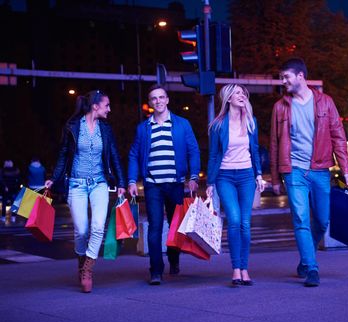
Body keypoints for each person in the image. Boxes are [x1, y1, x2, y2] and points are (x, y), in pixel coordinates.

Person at [270, 58, 348, 287]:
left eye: (286, 76)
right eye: (282, 77)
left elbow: (338, 135)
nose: (283, 81)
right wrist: (276, 178)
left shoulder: (325, 102)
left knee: (323, 220)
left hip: (319, 169)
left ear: (300, 76)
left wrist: (345, 168)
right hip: (293, 170)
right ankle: (312, 267)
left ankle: (305, 260)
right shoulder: (280, 107)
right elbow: (275, 144)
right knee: (300, 218)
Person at [45, 90, 126, 293]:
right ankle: (82, 261)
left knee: (98, 226)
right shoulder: (72, 127)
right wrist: (53, 178)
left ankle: (87, 269)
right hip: (76, 184)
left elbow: (114, 155)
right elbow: (63, 155)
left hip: (99, 183)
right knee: (81, 230)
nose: (110, 109)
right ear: (95, 106)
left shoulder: (106, 129)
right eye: (107, 105)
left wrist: (122, 182)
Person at [128, 84, 200, 285]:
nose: (158, 101)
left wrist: (193, 177)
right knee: (155, 226)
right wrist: (132, 180)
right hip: (153, 185)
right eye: (153, 98)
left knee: (175, 227)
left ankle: (174, 260)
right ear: (150, 103)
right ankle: (156, 270)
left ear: (167, 100)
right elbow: (134, 154)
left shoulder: (182, 124)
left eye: (161, 97)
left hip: (176, 184)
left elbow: (193, 150)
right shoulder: (143, 128)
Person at [206, 84, 265, 286]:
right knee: (234, 220)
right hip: (225, 177)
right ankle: (235, 269)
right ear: (228, 98)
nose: (242, 96)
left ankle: (245, 268)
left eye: (243, 93)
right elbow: (213, 155)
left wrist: (259, 175)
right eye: (237, 93)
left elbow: (255, 150)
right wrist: (210, 182)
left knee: (245, 224)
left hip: (247, 176)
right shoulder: (218, 125)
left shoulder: (251, 121)